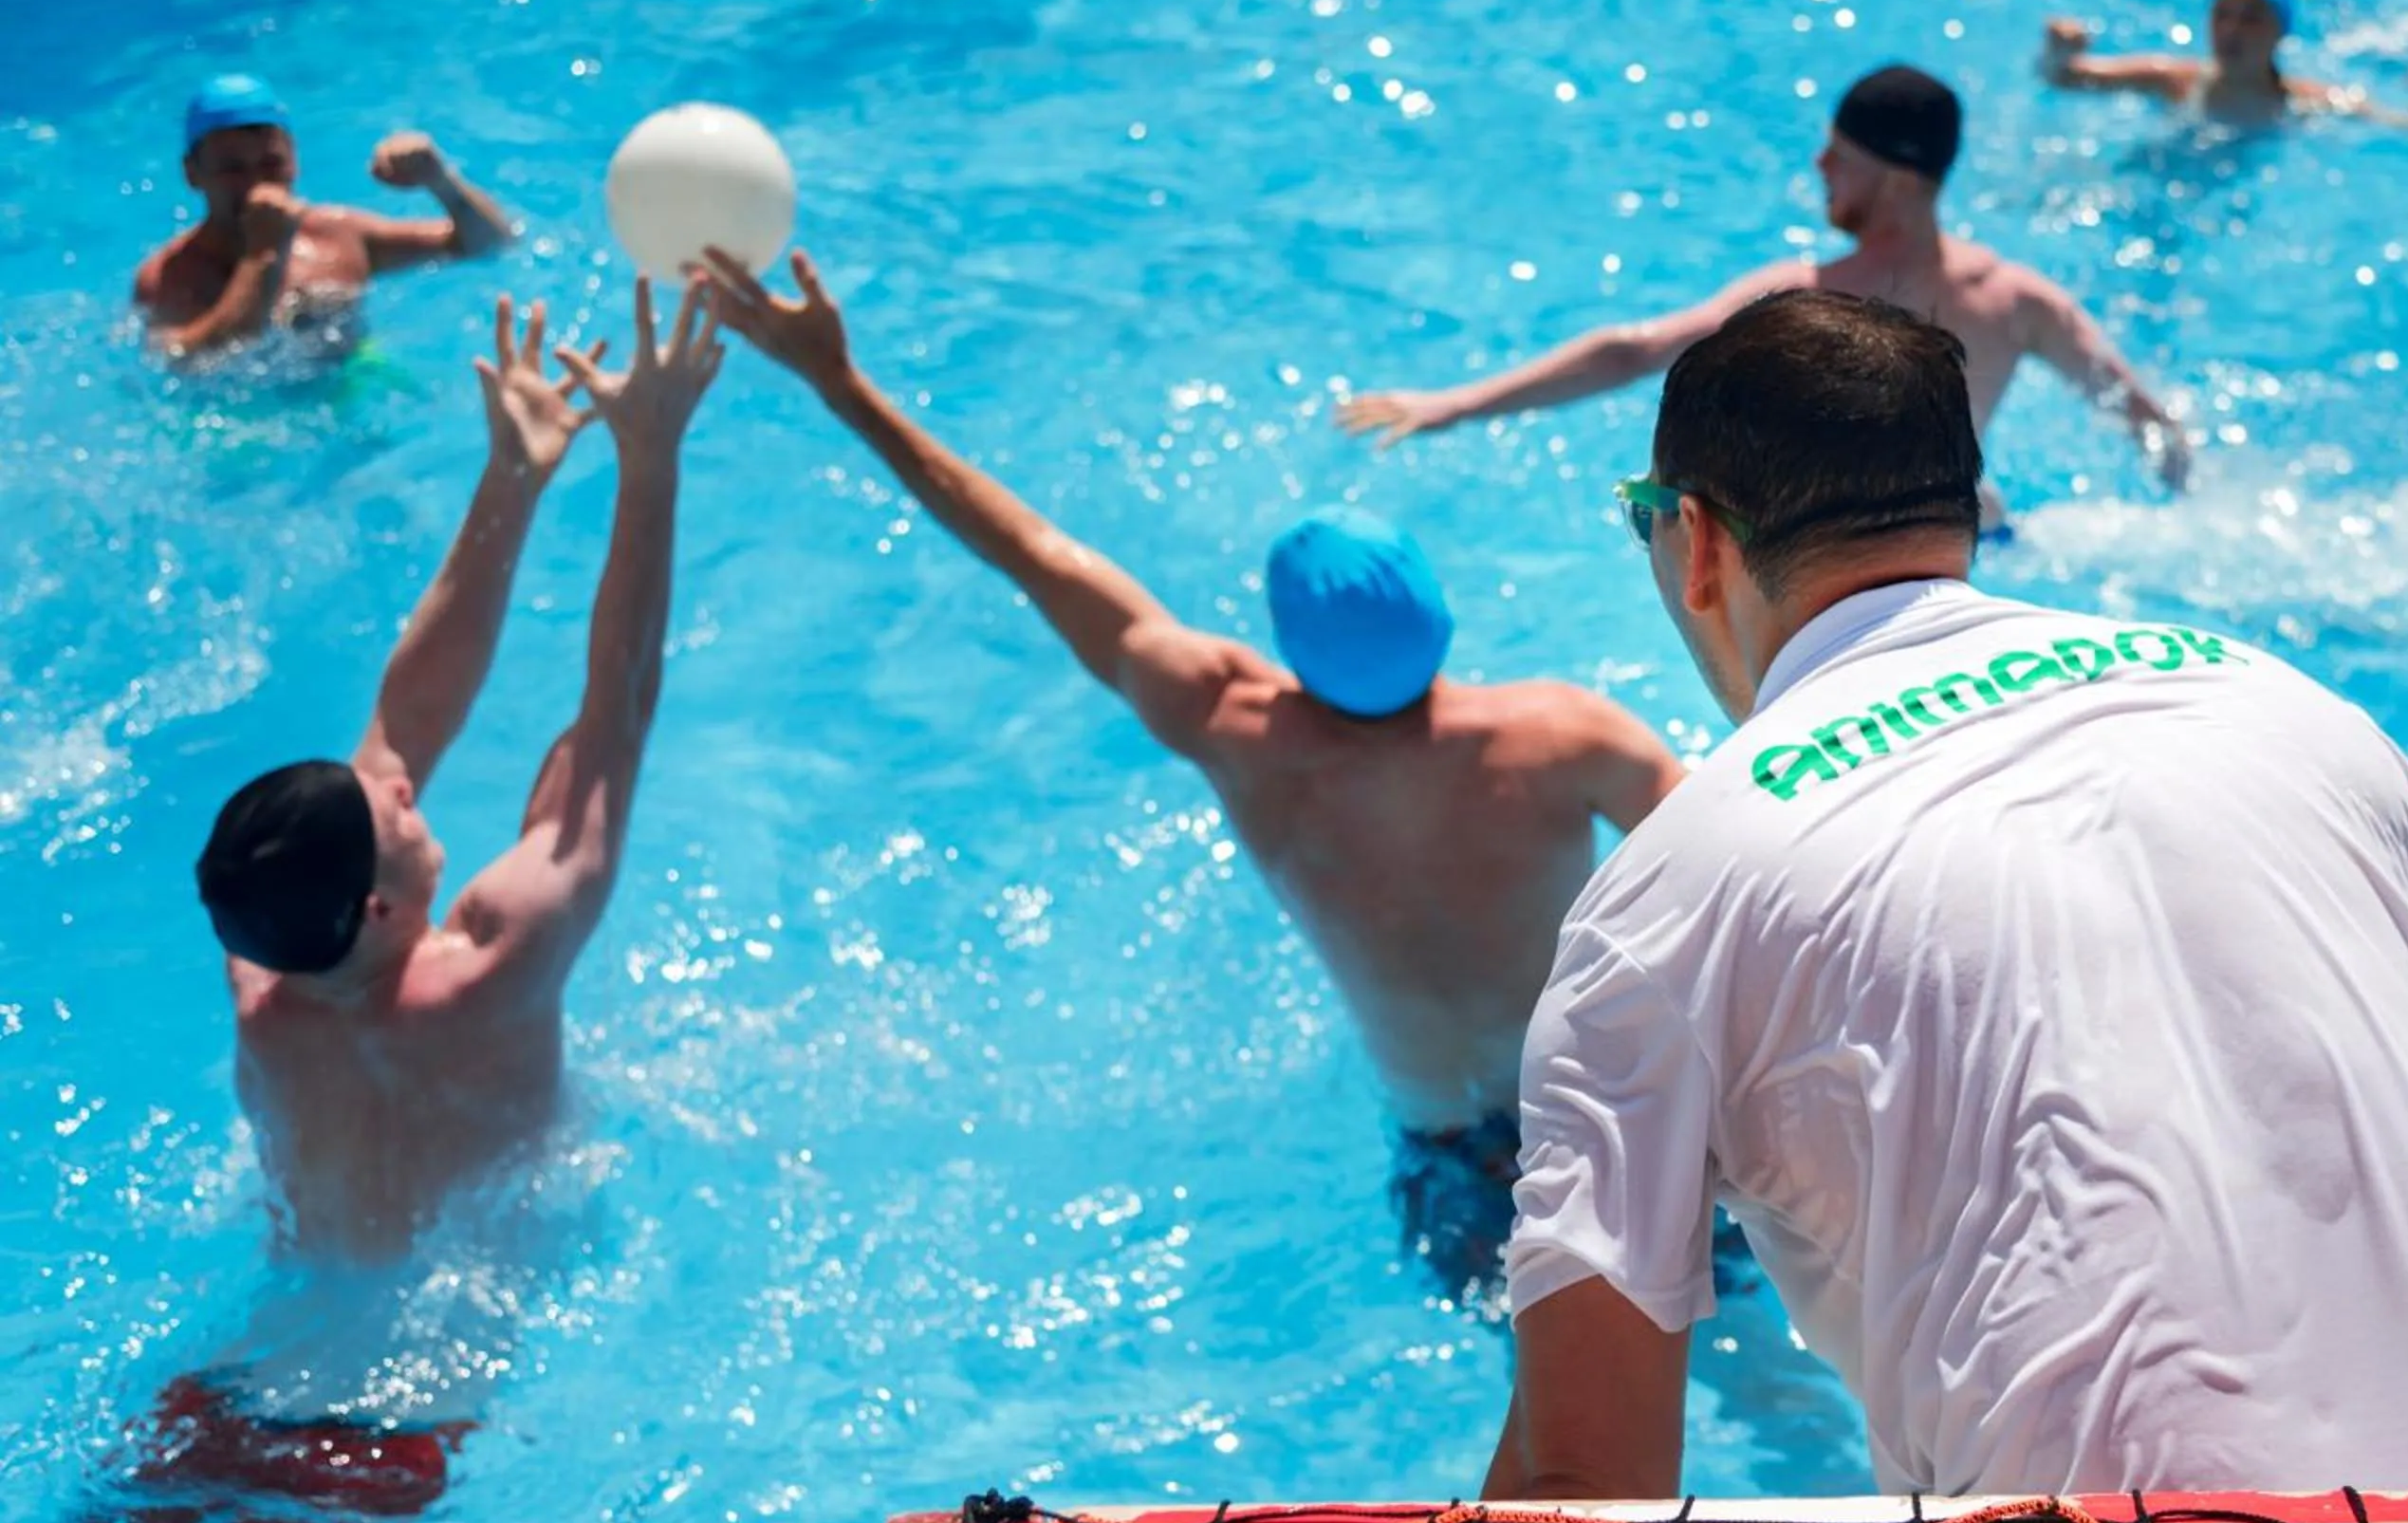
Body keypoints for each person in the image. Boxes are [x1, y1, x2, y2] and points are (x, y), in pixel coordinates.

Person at [1420, 290, 2408, 1523]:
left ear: (1698, 541)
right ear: (1971, 512)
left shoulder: (1677, 885)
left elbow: (1582, 1492)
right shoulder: (2298, 711)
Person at [695, 248, 1683, 1294]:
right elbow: (1737, 880)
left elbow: (1032, 551)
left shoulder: (1237, 730)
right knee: (1764, 1375)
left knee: (1559, 1428)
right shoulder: (1567, 737)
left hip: (1453, 1162)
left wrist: (840, 382)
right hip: (1607, 1118)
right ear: (1439, 616)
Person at [195, 278, 722, 1269]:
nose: (399, 786)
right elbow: (617, 713)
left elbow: (402, 724)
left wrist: (511, 478)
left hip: (247, 1396)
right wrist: (650, 460)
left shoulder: (266, 978)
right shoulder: (495, 969)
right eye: (387, 812)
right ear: (382, 910)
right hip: (426, 1422)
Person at [1337, 65, 2187, 510]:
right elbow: (2149, 426)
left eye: (1837, 155)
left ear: (1894, 175)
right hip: (1975, 540)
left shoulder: (1809, 290)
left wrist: (1457, 401)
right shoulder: (2019, 302)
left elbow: (1635, 349)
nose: (1818, 167)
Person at [134, 75, 517, 358]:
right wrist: (263, 255)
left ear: (295, 161)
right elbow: (192, 365)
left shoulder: (338, 234)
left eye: (271, 164)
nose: (255, 185)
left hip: (356, 382)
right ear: (192, 174)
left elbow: (491, 244)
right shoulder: (170, 276)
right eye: (232, 169)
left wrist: (440, 180)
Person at [2044, 0, 2408, 140]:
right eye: (2222, 14)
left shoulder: (2305, 102)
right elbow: (2060, 78)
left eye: (2250, 18)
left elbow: (2407, 125)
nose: (2230, 30)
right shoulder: (2170, 78)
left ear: (2280, 31)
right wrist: (2058, 49)